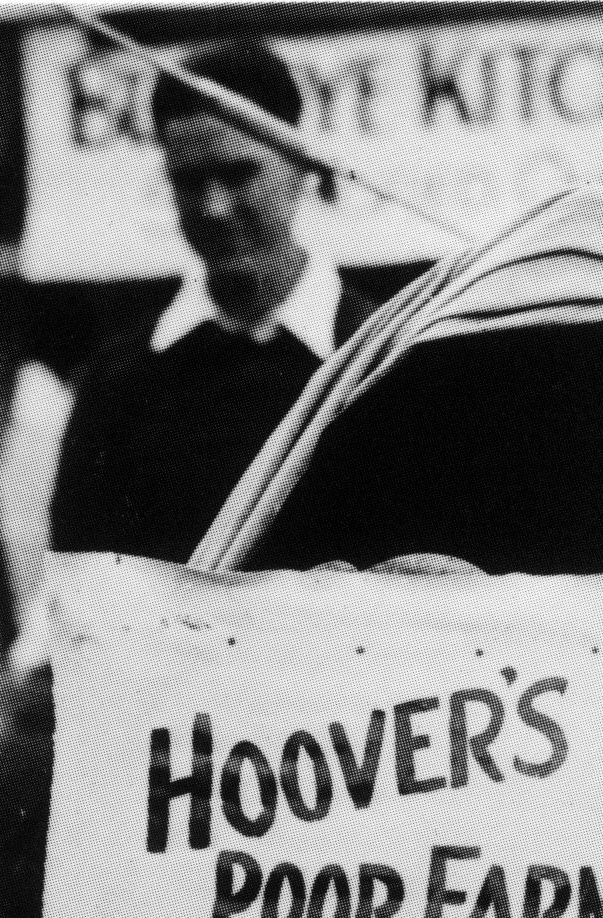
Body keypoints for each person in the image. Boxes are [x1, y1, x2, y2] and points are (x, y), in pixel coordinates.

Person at [46, 39, 369, 565]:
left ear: (299, 167)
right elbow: (78, 584)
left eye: (240, 175)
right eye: (189, 182)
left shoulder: (373, 357)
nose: (214, 208)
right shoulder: (118, 381)